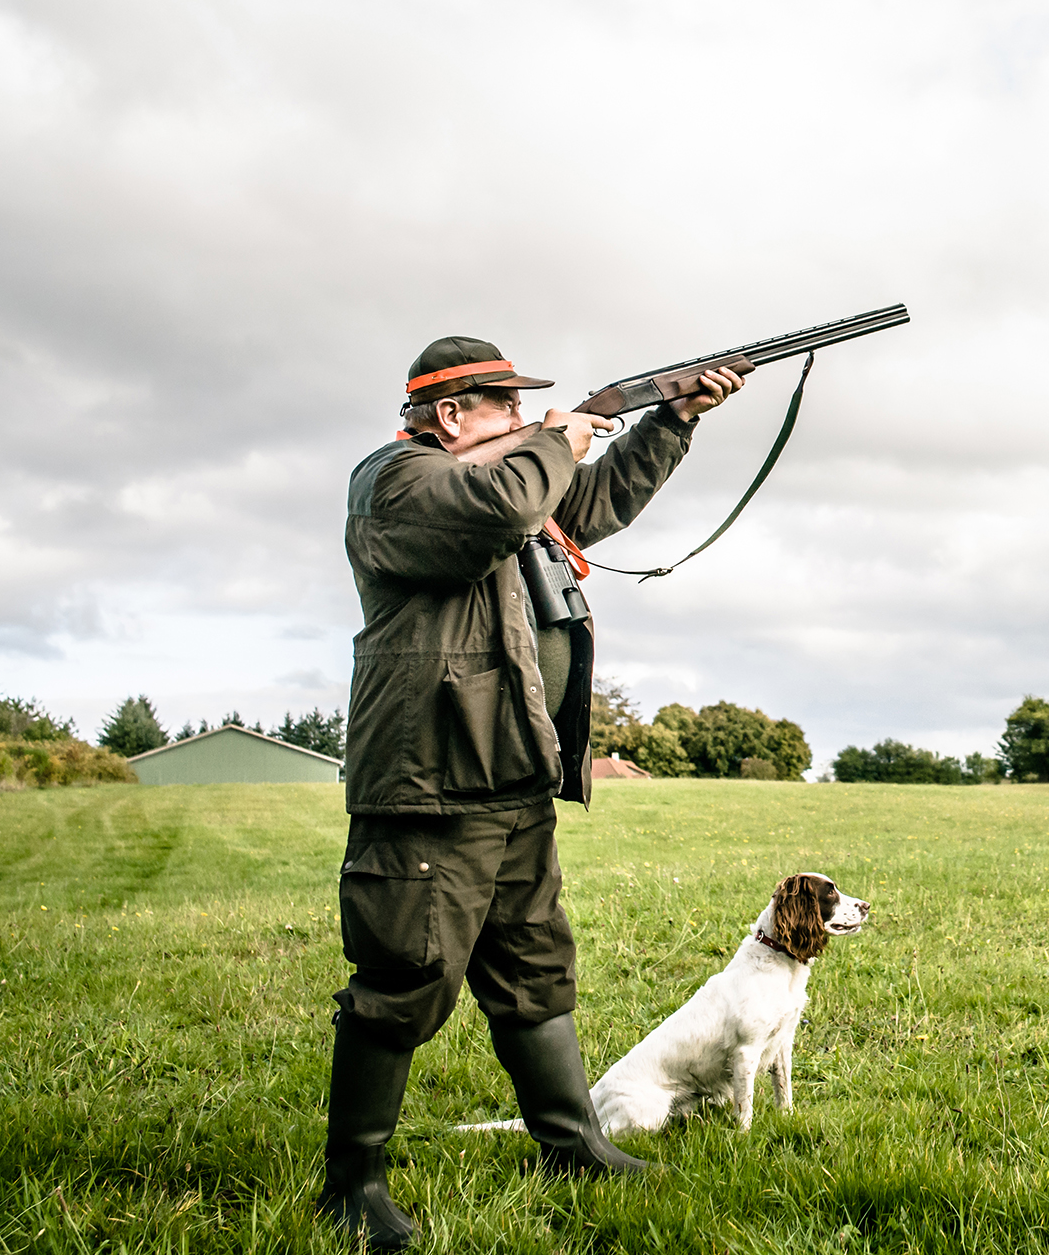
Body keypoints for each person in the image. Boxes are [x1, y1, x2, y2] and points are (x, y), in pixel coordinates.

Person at [319, 336, 744, 1249]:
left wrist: (670, 420)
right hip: (431, 782)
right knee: (405, 977)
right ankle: (351, 1186)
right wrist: (554, 437)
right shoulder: (398, 483)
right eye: (504, 408)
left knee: (535, 972)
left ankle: (571, 1145)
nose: (519, 420)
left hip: (513, 775)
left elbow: (587, 503)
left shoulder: (511, 481)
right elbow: (504, 502)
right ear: (450, 416)